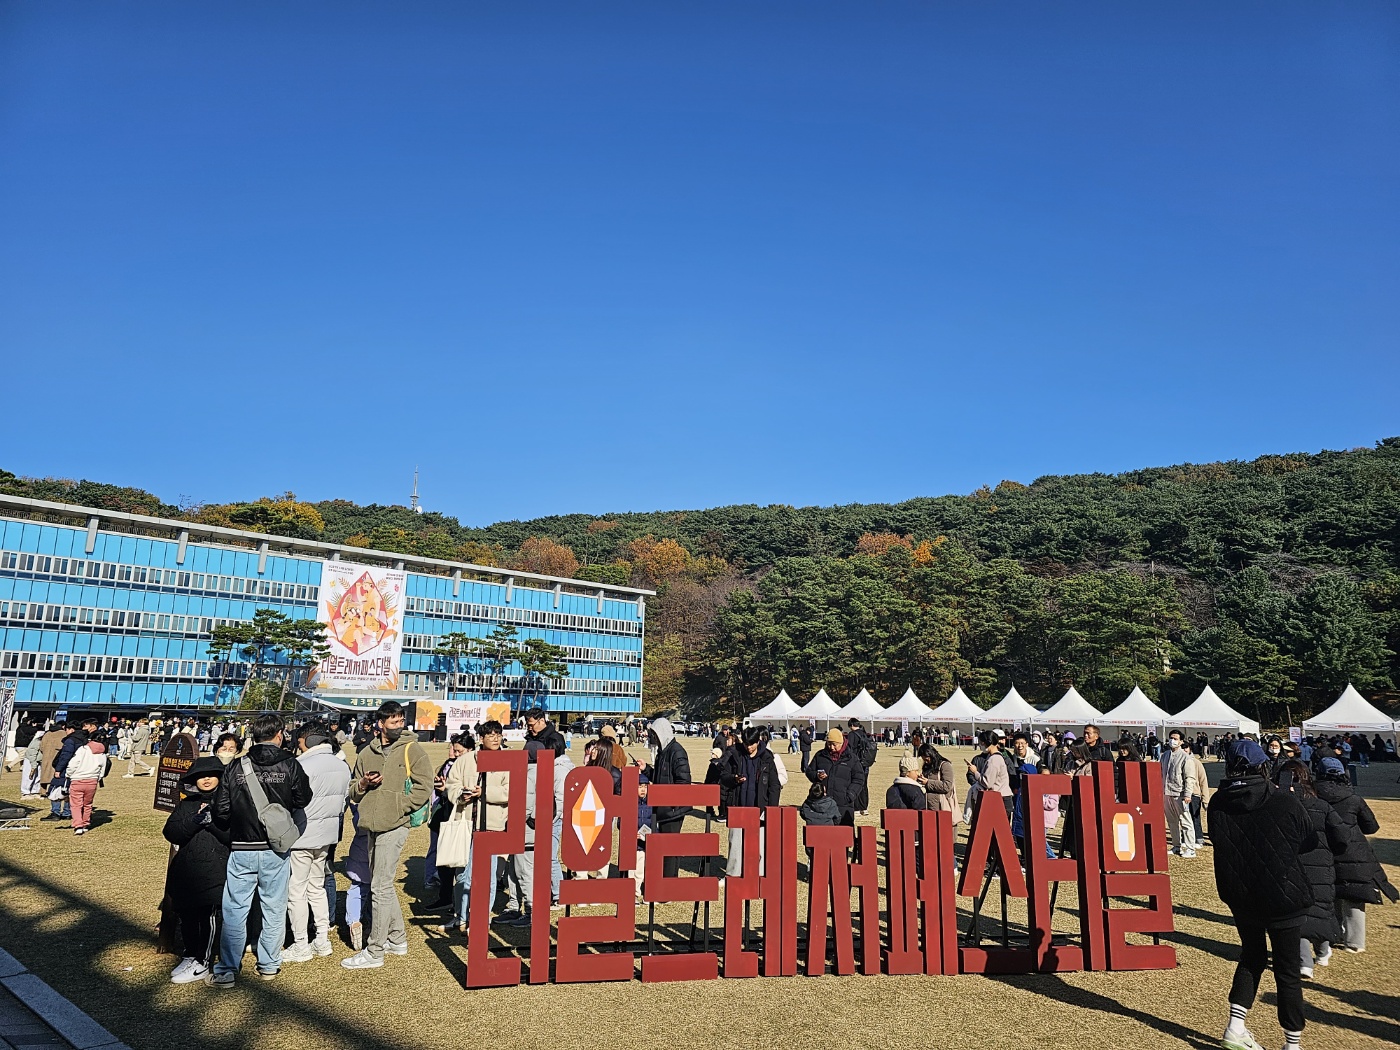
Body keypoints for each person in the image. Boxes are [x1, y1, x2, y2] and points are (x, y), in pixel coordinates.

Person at [1208, 739, 1312, 1050]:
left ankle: (1235, 1027)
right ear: (1263, 765)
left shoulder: (1218, 802)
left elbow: (1217, 839)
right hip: (1284, 895)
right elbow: (1308, 841)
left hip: (1241, 894)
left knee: (1251, 957)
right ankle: (1292, 1043)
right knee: (1287, 970)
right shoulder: (1284, 801)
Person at [207, 713, 313, 989]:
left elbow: (221, 809)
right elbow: (303, 798)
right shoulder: (290, 764)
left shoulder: (236, 766)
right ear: (279, 734)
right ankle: (268, 964)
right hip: (275, 848)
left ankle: (228, 968)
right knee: (274, 907)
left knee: (235, 908)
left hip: (242, 845)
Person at [341, 700, 432, 970]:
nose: (398, 724)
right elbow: (352, 790)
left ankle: (375, 950)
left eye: (400, 720)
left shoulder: (412, 749)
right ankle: (397, 938)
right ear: (380, 724)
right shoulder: (366, 753)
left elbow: (424, 786)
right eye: (393, 721)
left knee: (379, 886)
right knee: (383, 884)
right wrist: (364, 784)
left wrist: (401, 806)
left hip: (396, 824)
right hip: (370, 825)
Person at [282, 722, 350, 964]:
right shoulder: (342, 765)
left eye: (299, 742)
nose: (298, 746)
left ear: (308, 740)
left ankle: (301, 943)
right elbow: (343, 803)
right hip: (327, 835)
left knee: (296, 890)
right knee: (316, 886)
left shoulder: (302, 765)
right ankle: (322, 938)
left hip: (302, 835)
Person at [1315, 756, 1396, 953]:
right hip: (1353, 851)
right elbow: (1371, 827)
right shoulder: (1353, 798)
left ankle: (1333, 933)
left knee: (1330, 894)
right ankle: (1354, 942)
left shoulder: (1314, 796)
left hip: (1323, 849)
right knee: (1354, 897)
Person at [162, 757, 231, 985]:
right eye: (201, 776)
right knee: (188, 915)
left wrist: (210, 821)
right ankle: (190, 954)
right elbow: (172, 832)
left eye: (212, 775)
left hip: (216, 868)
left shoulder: (230, 802)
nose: (207, 779)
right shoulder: (187, 804)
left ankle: (204, 961)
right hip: (188, 869)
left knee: (207, 916)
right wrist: (196, 820)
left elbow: (233, 836)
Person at [1280, 761, 1347, 979]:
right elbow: (1342, 837)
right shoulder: (1322, 806)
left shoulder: (1278, 807)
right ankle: (1322, 949)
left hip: (1293, 867)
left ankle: (1305, 961)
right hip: (1322, 867)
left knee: (1297, 915)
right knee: (1321, 909)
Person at [718, 726, 783, 878]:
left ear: (758, 741)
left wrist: (771, 809)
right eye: (746, 744)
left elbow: (774, 785)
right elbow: (723, 776)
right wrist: (734, 778)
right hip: (738, 806)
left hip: (759, 809)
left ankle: (760, 875)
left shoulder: (767, 757)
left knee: (760, 845)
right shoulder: (735, 754)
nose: (749, 747)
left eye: (752, 744)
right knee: (735, 843)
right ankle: (732, 875)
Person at [435, 732, 480, 936]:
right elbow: (452, 789)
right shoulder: (452, 764)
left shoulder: (473, 761)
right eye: (453, 749)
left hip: (478, 823)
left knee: (475, 875)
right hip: (460, 821)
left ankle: (471, 917)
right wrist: (451, 791)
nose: (453, 753)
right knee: (460, 872)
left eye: (458, 750)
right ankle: (461, 915)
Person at [643, 717, 692, 878]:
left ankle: (669, 883)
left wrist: (672, 804)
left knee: (670, 849)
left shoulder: (677, 752)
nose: (653, 738)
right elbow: (659, 779)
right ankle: (663, 880)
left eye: (655, 734)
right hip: (662, 807)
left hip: (673, 810)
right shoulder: (662, 752)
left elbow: (683, 782)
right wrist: (645, 769)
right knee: (662, 847)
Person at [806, 729, 860, 826]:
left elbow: (859, 779)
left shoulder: (851, 758)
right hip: (823, 802)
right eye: (829, 744)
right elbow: (809, 771)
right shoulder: (820, 755)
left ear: (841, 742)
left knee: (844, 835)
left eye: (834, 744)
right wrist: (817, 776)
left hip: (844, 803)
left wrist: (850, 795)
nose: (831, 747)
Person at [1161, 729, 1199, 859]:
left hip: (1180, 794)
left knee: (1185, 821)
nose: (1173, 740)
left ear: (1181, 741)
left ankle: (1190, 848)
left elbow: (1190, 778)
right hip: (1166, 793)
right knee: (1172, 821)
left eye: (1176, 738)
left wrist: (1188, 794)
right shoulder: (1165, 755)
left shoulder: (1185, 757)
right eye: (1171, 738)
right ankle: (1176, 845)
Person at [65, 728, 109, 836]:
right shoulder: (102, 754)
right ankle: (85, 823)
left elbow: (73, 764)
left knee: (76, 804)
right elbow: (102, 770)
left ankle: (78, 825)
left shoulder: (83, 750)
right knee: (87, 804)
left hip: (78, 779)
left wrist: (68, 774)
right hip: (92, 781)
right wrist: (97, 778)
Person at [845, 718, 877, 815]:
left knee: (854, 784)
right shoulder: (864, 734)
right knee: (864, 785)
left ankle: (856, 808)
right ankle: (864, 807)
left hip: (856, 763)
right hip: (866, 764)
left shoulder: (851, 735)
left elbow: (849, 749)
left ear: (851, 725)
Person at [918, 742, 958, 817]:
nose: (926, 762)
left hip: (942, 806)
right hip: (928, 806)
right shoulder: (927, 766)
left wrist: (928, 782)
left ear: (931, 754)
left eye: (927, 759)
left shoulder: (945, 765)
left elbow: (947, 786)